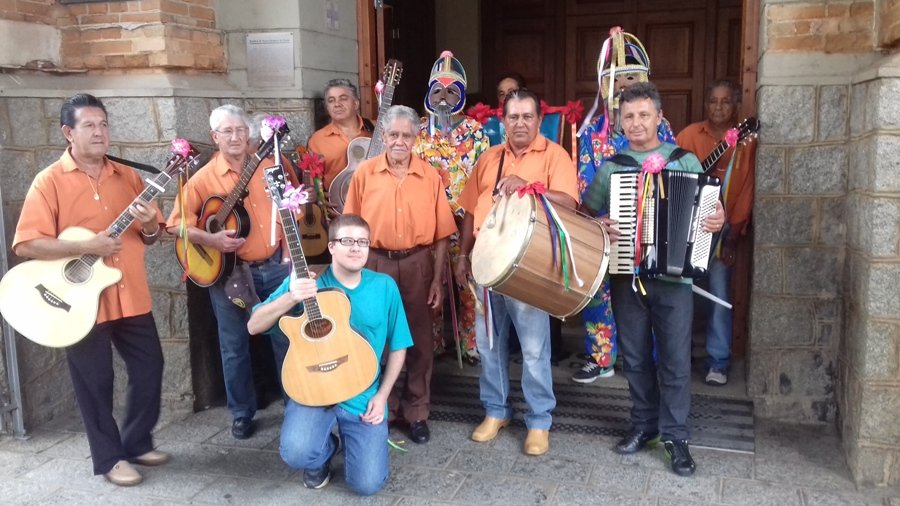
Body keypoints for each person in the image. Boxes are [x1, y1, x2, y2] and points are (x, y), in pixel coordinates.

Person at [12, 93, 168, 486]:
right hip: (78, 303)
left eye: (104, 124)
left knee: (150, 367)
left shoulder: (129, 176)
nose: (100, 132)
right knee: (95, 382)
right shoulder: (48, 181)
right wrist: (86, 246)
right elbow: (26, 244)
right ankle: (110, 458)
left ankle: (136, 441)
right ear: (68, 132)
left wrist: (150, 224)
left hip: (130, 292)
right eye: (89, 125)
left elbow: (151, 237)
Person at [582, 82, 725, 476]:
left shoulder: (686, 161)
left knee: (677, 361)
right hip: (628, 277)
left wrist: (719, 220)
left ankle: (676, 437)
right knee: (636, 358)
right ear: (619, 122)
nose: (636, 123)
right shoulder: (613, 167)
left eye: (644, 115)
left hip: (676, 282)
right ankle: (643, 426)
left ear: (659, 118)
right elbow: (585, 215)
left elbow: (712, 216)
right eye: (628, 116)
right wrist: (600, 224)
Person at [247, 214, 411, 494]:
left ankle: (355, 441)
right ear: (331, 246)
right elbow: (253, 326)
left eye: (362, 242)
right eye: (347, 241)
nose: (356, 248)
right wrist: (291, 297)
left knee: (367, 485)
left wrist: (382, 395)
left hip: (362, 390)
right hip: (312, 388)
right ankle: (322, 454)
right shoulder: (306, 283)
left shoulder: (384, 286)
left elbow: (399, 346)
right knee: (296, 452)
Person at [454, 89, 580, 456]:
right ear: (502, 121)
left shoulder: (554, 155)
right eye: (513, 117)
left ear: (539, 121)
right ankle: (496, 411)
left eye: (528, 116)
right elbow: (469, 212)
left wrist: (528, 189)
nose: (520, 123)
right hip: (486, 267)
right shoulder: (489, 158)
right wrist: (463, 257)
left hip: (528, 268)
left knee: (535, 349)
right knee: (489, 345)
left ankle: (539, 420)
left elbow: (569, 202)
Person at [166, 105, 296, 440]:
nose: (236, 137)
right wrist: (209, 238)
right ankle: (241, 413)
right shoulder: (203, 179)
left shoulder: (270, 165)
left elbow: (292, 207)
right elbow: (175, 225)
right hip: (230, 274)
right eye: (227, 131)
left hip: (275, 270)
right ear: (215, 137)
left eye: (240, 130)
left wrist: (287, 254)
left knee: (286, 339)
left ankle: (296, 405)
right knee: (234, 345)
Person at [344, 105, 457, 445]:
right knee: (376, 339)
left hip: (417, 264)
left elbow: (441, 234)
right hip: (374, 264)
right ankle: (385, 408)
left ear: (415, 139)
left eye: (406, 136)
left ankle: (417, 412)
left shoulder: (430, 176)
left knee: (420, 342)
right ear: (383, 136)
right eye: (393, 134)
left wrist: (437, 279)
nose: (399, 142)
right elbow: (351, 227)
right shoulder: (364, 174)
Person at [572, 27, 676, 384]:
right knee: (597, 291)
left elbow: (675, 174)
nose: (623, 86)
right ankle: (601, 357)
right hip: (606, 227)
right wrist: (598, 219)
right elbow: (585, 183)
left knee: (647, 290)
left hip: (649, 226)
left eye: (631, 78)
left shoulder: (662, 129)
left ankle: (647, 360)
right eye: (616, 79)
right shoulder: (590, 134)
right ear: (604, 86)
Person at [676, 79, 755, 386]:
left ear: (736, 106)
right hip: (685, 230)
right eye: (713, 101)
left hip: (723, 235)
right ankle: (677, 357)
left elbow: (745, 192)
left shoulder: (745, 144)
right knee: (680, 293)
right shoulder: (688, 135)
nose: (719, 107)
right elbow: (674, 178)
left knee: (718, 295)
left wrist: (733, 237)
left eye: (725, 102)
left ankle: (718, 361)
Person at [414, 50, 489, 362]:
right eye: (438, 91)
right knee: (430, 285)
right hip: (427, 223)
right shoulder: (417, 131)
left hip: (465, 222)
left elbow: (484, 179)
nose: (443, 98)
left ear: (461, 96)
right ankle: (434, 344)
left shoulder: (476, 132)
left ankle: (469, 344)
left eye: (451, 92)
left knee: (468, 281)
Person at [308, 79, 373, 190]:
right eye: (331, 100)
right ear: (327, 108)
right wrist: (320, 198)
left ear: (356, 103)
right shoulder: (317, 140)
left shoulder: (376, 130)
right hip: (338, 205)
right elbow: (312, 181)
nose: (337, 104)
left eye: (343, 99)